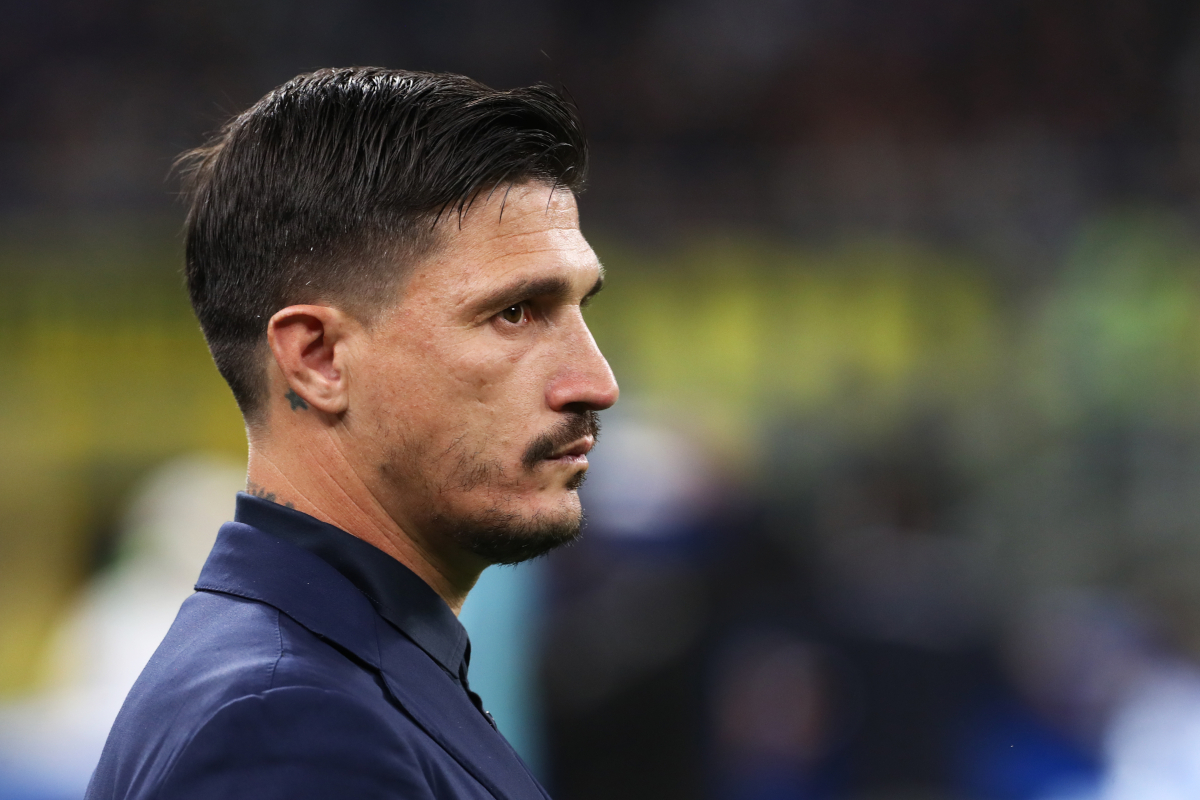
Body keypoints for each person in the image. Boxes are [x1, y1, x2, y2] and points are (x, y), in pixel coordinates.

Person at [86, 66, 618, 800]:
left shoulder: (345, 676)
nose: (595, 382)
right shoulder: (286, 728)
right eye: (516, 313)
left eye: (580, 307)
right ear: (318, 359)